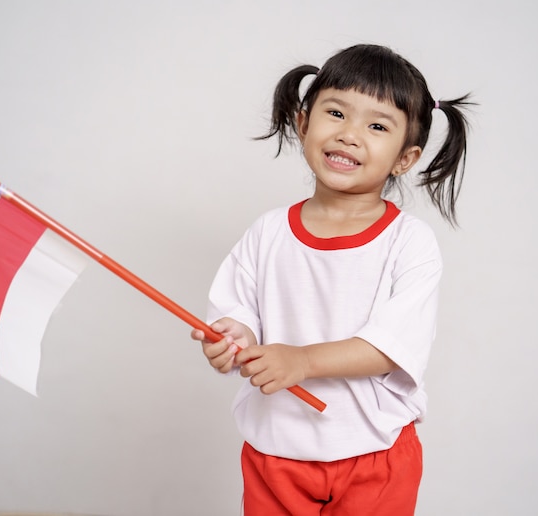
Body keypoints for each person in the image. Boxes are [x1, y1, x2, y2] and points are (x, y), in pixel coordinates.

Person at [191, 43, 472, 515]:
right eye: (336, 112)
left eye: (377, 126)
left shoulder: (409, 243)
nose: (350, 134)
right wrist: (232, 338)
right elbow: (236, 312)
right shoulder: (268, 232)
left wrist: (302, 361)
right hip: (275, 451)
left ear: (405, 158)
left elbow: (390, 348)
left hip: (373, 454)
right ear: (303, 123)